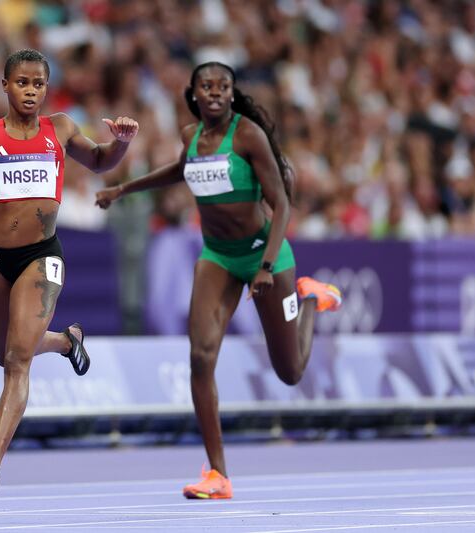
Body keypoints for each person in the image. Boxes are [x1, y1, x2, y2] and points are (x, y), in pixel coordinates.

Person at [96, 62, 341, 500]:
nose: (214, 93)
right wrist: (123, 190)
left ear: (231, 94)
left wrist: (266, 266)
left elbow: (282, 205)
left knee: (290, 371)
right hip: (218, 258)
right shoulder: (191, 136)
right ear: (193, 93)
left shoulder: (248, 136)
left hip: (265, 257)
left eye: (222, 87)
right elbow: (179, 169)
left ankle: (310, 299)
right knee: (200, 357)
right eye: (206, 86)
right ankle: (218, 474)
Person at [0, 49, 138, 490]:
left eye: (38, 83)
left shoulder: (60, 129)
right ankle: (66, 340)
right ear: (5, 85)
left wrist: (122, 143)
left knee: (17, 359)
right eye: (22, 82)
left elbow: (98, 161)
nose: (31, 90)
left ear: (45, 88)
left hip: (43, 256)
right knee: (5, 352)